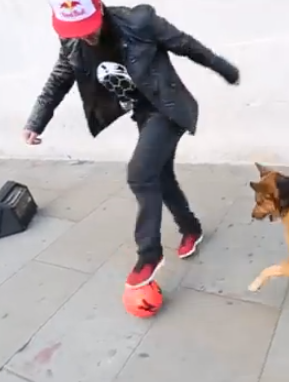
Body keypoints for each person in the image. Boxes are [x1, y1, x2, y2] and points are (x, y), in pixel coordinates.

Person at [24, 0, 240, 289]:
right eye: (76, 31)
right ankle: (191, 228)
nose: (85, 36)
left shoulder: (140, 22)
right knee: (161, 177)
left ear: (99, 10)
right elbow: (58, 81)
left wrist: (223, 68)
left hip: (169, 108)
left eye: (88, 28)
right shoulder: (72, 45)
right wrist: (34, 122)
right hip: (143, 114)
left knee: (139, 174)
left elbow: (186, 44)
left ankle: (149, 254)